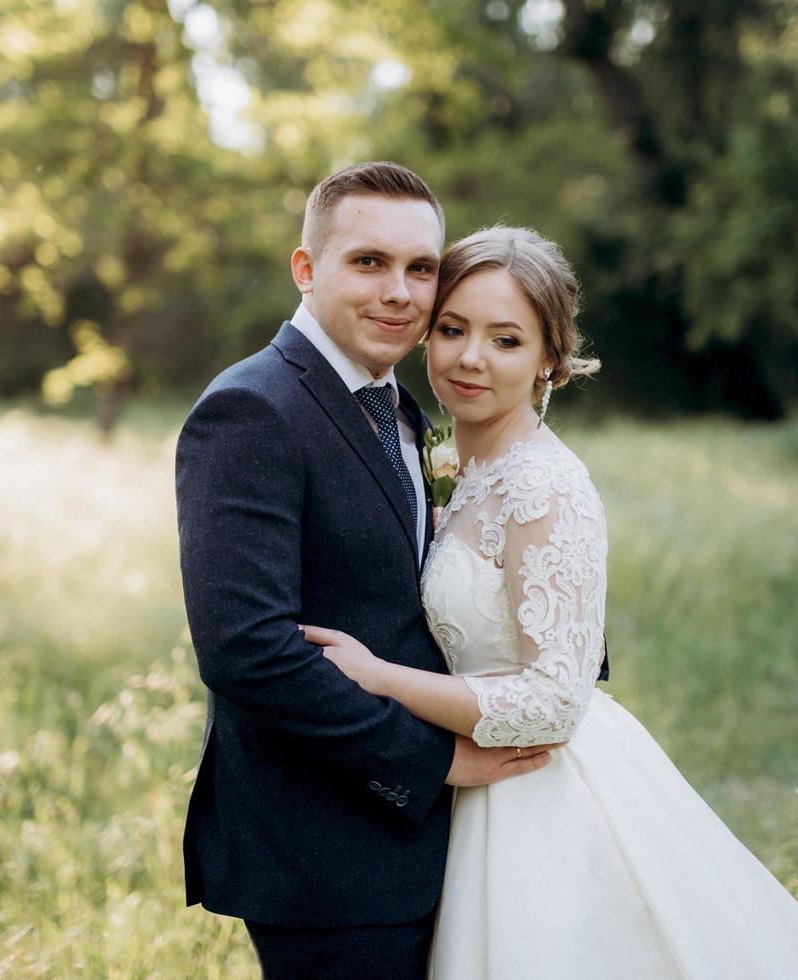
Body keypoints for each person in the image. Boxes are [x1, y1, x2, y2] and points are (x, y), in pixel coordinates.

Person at [303, 226, 798, 978]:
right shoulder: (457, 466)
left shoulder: (545, 485)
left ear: (550, 365)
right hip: (463, 789)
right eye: (452, 329)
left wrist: (378, 677)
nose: (470, 358)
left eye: (506, 340)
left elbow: (555, 701)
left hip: (540, 796)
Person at [175, 165, 555, 980]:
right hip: (324, 853)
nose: (400, 292)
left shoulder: (400, 407)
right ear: (306, 271)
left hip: (424, 843)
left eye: (421, 269)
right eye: (369, 262)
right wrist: (434, 762)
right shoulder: (252, 409)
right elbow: (248, 651)